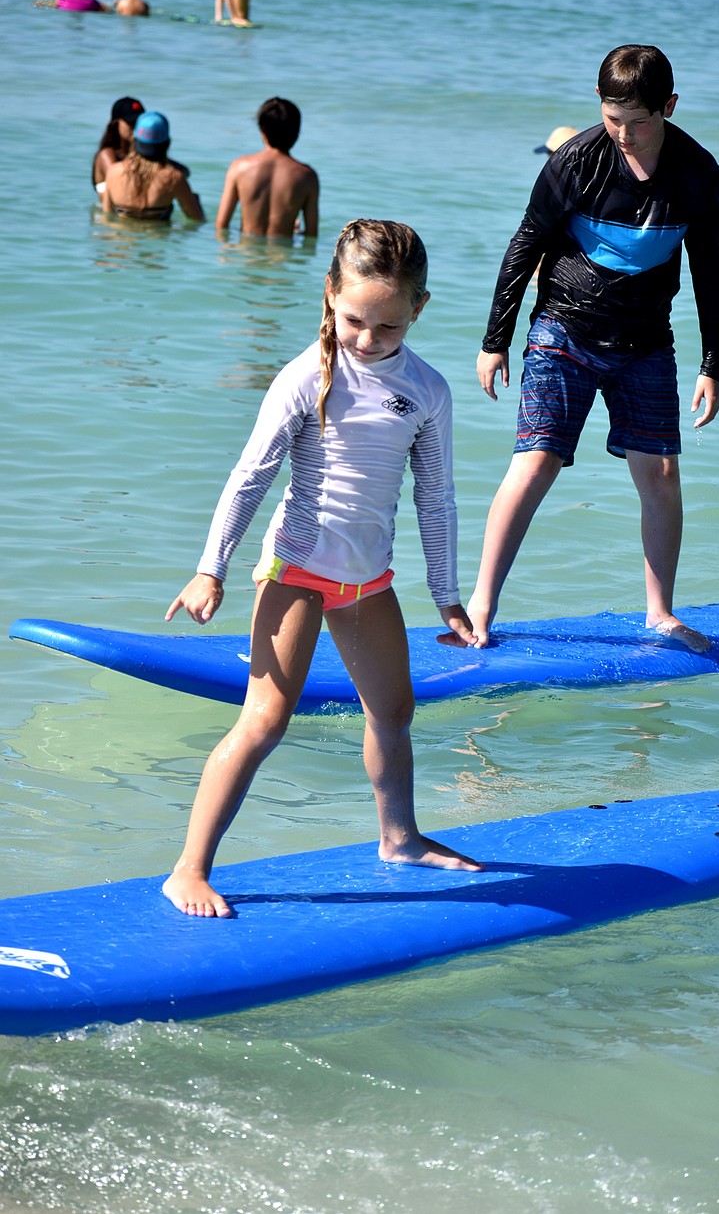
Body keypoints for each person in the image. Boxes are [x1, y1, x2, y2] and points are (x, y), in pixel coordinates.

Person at [161, 219, 482, 917]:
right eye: (355, 321)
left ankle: (399, 838)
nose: (368, 339)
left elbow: (437, 495)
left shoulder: (427, 389)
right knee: (266, 719)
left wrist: (449, 596)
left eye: (388, 327)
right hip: (299, 569)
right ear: (331, 293)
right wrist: (210, 568)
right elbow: (252, 475)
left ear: (419, 309)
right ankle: (188, 868)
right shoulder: (305, 376)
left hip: (369, 579)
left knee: (394, 711)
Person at [469, 44, 719, 654]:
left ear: (668, 106)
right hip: (563, 329)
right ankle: (481, 604)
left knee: (661, 473)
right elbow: (525, 243)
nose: (626, 135)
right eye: (614, 121)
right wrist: (495, 340)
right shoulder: (576, 161)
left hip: (645, 342)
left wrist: (712, 364)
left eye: (639, 122)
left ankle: (660, 613)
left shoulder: (696, 172)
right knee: (537, 462)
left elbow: (710, 273)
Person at [215, 97, 320, 238]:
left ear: (262, 130)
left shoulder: (239, 168)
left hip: (246, 255)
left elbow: (221, 226)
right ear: (296, 132)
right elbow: (311, 235)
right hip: (283, 257)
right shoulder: (307, 177)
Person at [102, 112, 204, 221]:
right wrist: (196, 202)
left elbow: (107, 215)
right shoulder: (174, 178)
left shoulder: (113, 171)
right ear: (167, 143)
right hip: (157, 236)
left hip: (120, 236)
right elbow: (197, 220)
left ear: (135, 140)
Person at [91, 96, 144, 195]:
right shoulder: (106, 155)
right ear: (116, 124)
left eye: (140, 123)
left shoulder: (139, 152)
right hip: (112, 210)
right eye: (131, 123)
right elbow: (122, 187)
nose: (136, 127)